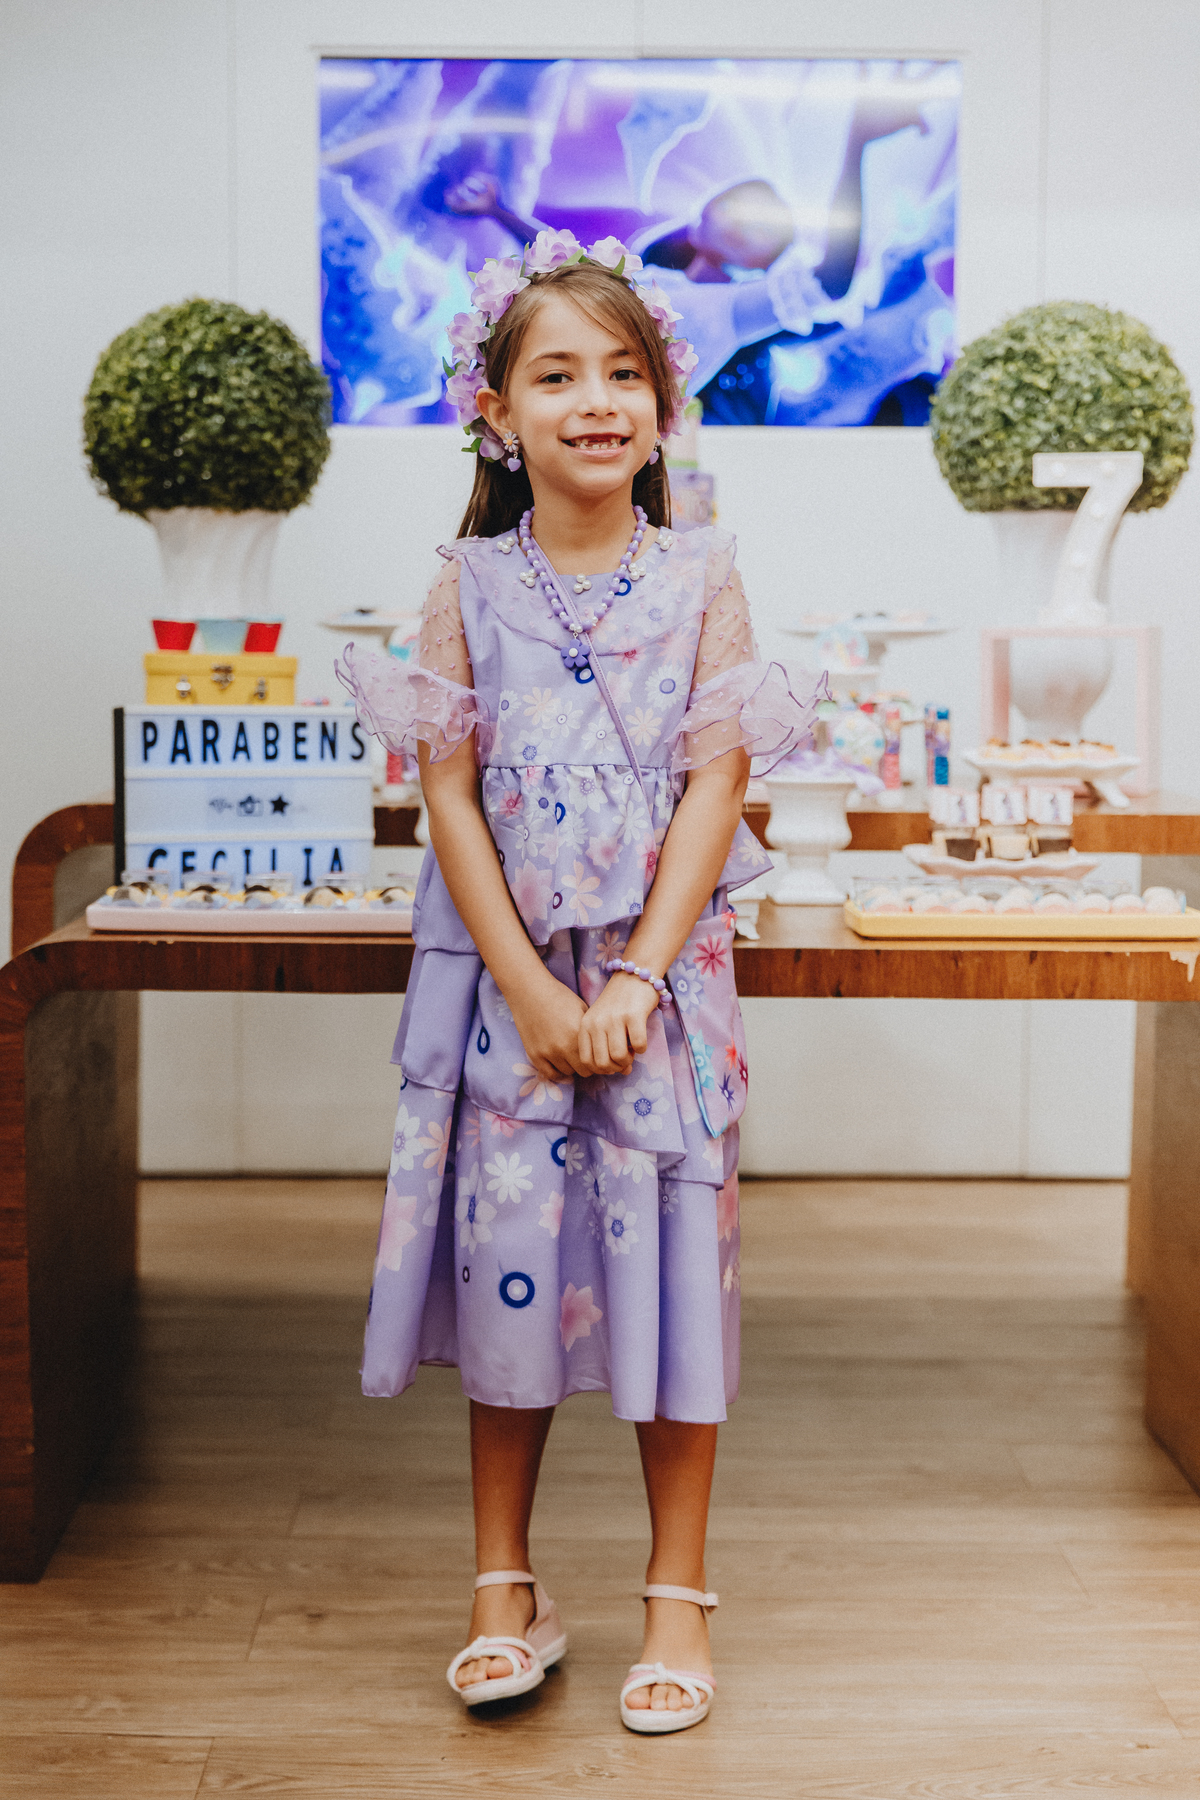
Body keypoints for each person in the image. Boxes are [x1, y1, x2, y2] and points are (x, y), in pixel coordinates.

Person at [337, 231, 819, 1732]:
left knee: (676, 1276)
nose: (596, 401)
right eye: (557, 375)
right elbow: (448, 795)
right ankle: (505, 1588)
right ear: (495, 411)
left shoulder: (706, 574)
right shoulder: (466, 583)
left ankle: (678, 1596)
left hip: (664, 990)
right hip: (508, 997)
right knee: (512, 1271)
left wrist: (635, 979)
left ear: (664, 405)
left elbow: (716, 784)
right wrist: (537, 998)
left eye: (625, 373)